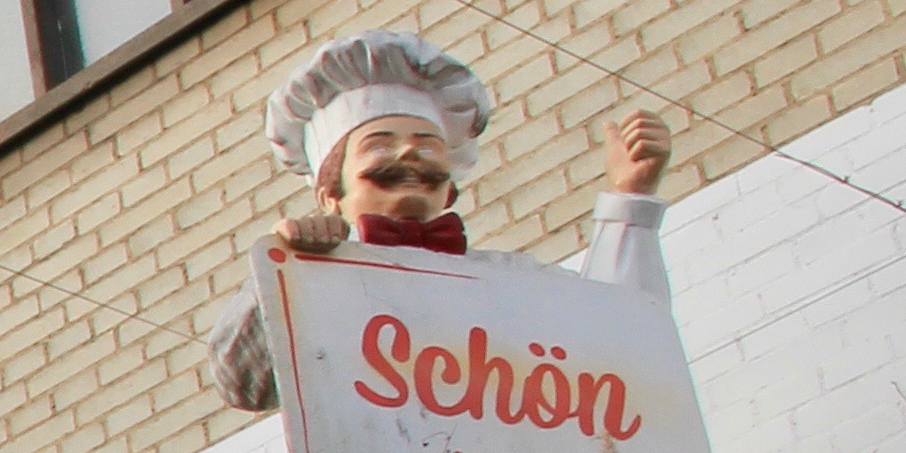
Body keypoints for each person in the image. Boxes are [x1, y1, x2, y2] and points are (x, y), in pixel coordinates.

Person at [205, 30, 675, 410]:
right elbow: (243, 383)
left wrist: (629, 201)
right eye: (379, 144)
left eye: (428, 145)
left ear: (449, 188)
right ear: (330, 194)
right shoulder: (315, 283)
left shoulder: (510, 281)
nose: (408, 152)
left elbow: (627, 343)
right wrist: (284, 270)